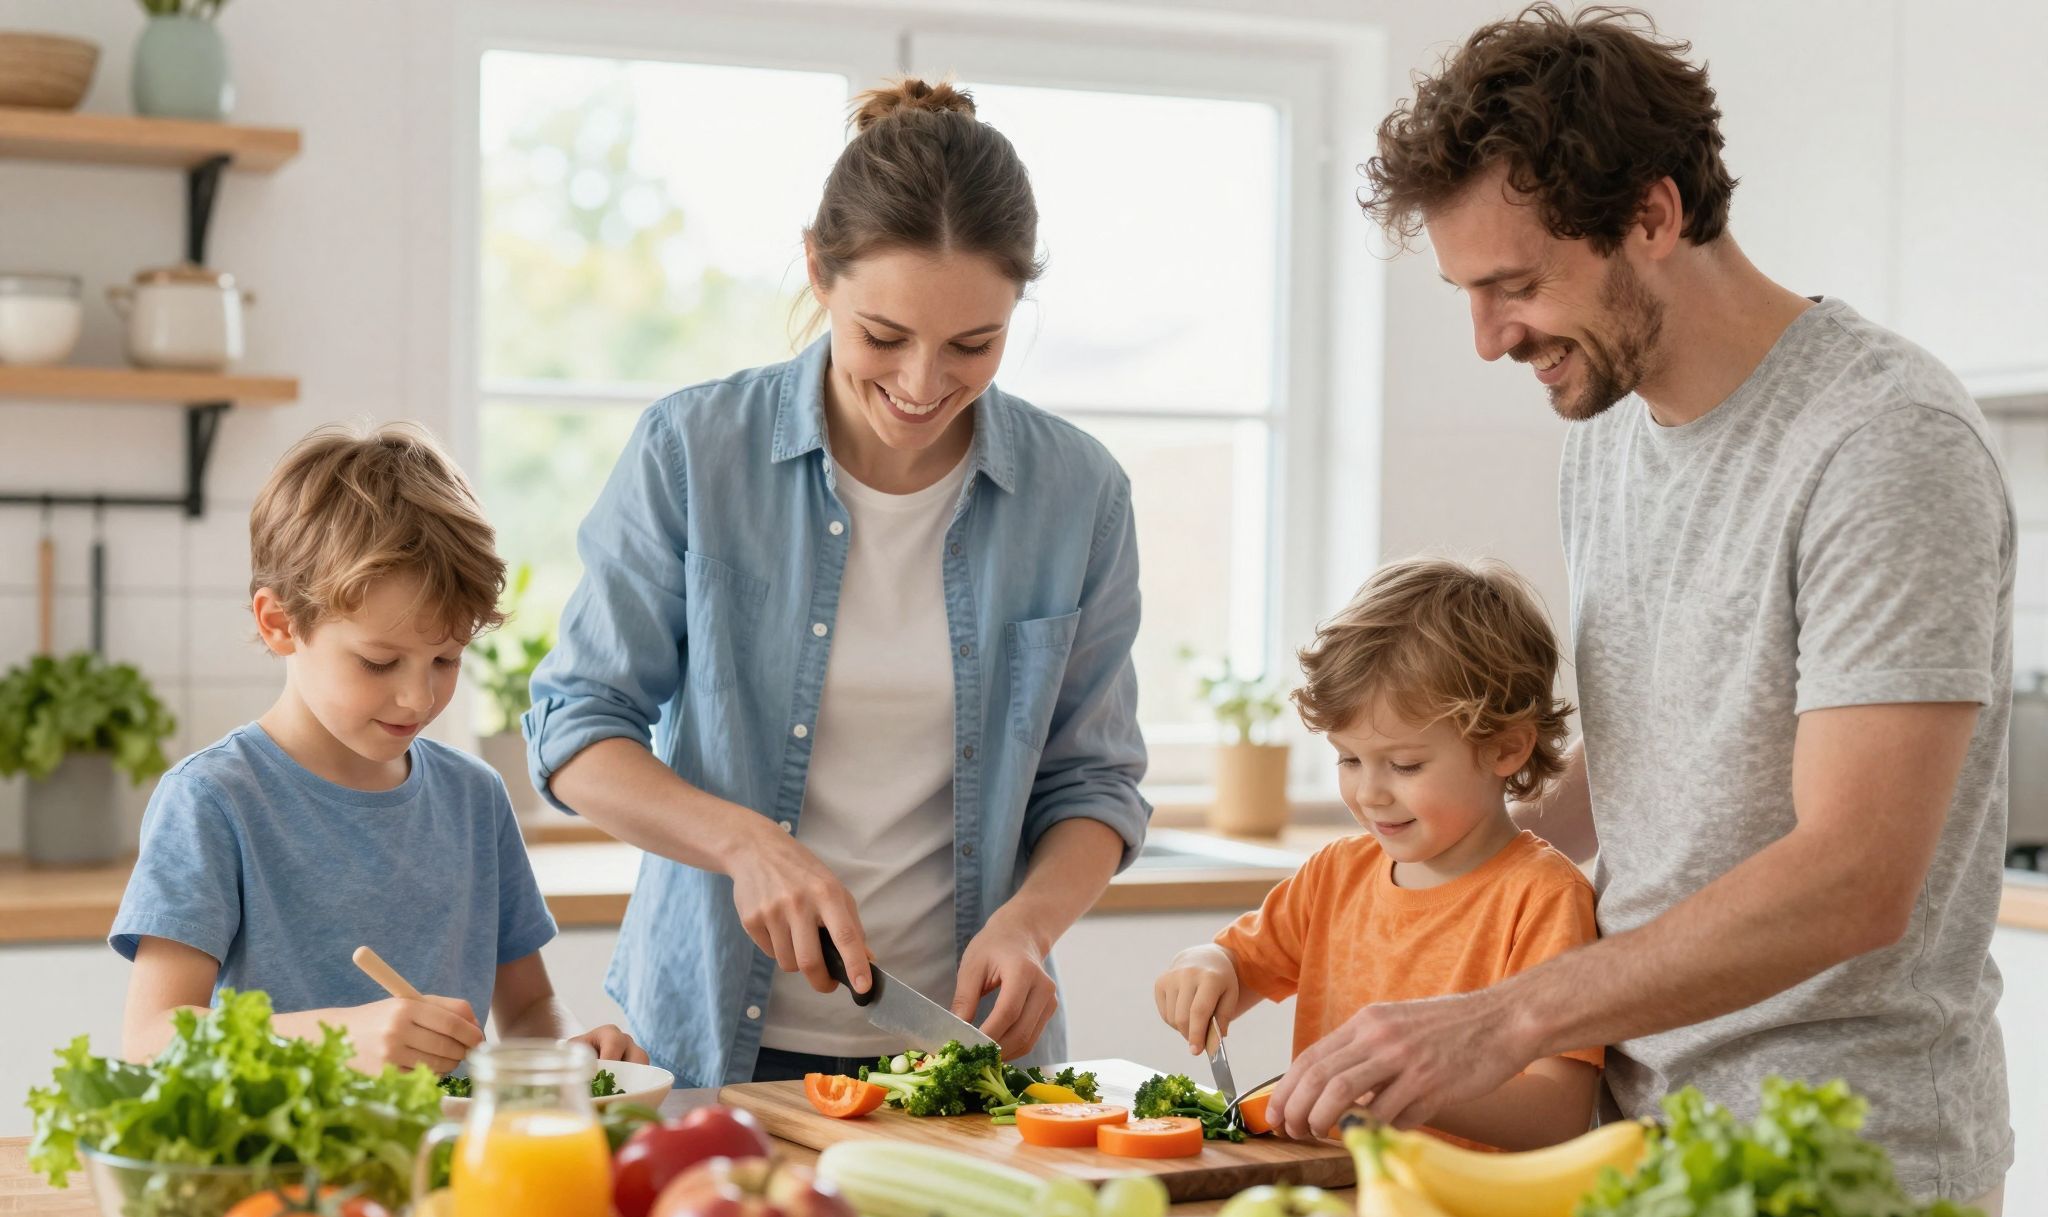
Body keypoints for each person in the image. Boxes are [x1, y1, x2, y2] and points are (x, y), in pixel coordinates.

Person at [1270, 7, 2013, 1217]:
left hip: (1843, 1170)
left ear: (1653, 218)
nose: (1489, 337)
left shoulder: (1882, 445)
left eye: (1514, 285)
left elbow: (1856, 877)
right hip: (1631, 1140)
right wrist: (1442, 889)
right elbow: (1634, 777)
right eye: (1467, 292)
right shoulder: (1608, 431)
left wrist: (1503, 1017)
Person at [524, 79, 1149, 1086]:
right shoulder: (693, 452)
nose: (920, 385)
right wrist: (743, 846)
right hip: (710, 1052)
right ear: (818, 269)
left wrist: (1031, 924)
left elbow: (1093, 781)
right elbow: (575, 732)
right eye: (884, 337)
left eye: (972, 345)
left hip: (965, 1067)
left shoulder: (1077, 495)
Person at [112, 422, 645, 1072]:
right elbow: (151, 1038)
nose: (417, 699)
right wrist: (339, 1039)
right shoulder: (213, 800)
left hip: (446, 1164)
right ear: (279, 623)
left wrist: (570, 1050)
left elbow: (530, 1009)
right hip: (282, 1170)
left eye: (446, 659)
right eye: (379, 662)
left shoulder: (474, 798)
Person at [1156, 557, 1601, 1150]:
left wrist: (1412, 1092)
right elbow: (1236, 967)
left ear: (1507, 749)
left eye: (1406, 765)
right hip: (1328, 1204)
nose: (1369, 793)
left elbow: (1558, 1114)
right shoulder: (1334, 875)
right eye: (1348, 760)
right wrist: (1204, 966)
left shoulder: (1544, 898)